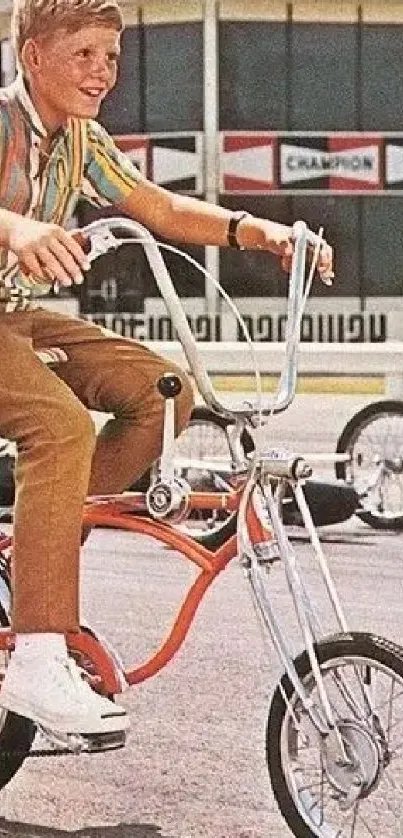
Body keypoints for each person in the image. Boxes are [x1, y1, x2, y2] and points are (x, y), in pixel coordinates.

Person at [0, 0, 334, 742]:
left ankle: (32, 567)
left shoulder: (80, 139)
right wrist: (17, 225)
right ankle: (38, 652)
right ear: (32, 59)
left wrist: (258, 231)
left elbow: (152, 204)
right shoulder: (3, 122)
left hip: (13, 315)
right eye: (83, 54)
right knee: (57, 425)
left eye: (111, 57)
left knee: (162, 394)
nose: (102, 72)